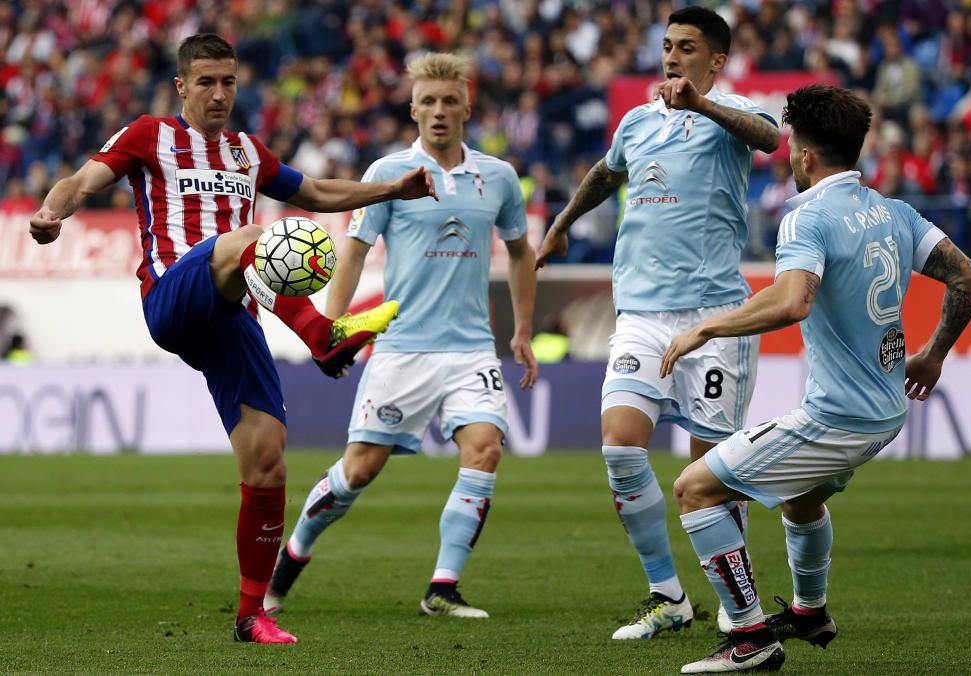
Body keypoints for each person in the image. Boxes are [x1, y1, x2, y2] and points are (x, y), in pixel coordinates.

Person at [27, 33, 437, 644]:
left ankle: (252, 615)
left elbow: (320, 194)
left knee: (268, 461)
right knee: (251, 239)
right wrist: (51, 212)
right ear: (182, 87)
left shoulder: (248, 152)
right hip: (173, 295)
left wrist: (392, 189)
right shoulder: (150, 135)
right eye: (206, 82)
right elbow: (81, 181)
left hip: (232, 315)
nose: (219, 94)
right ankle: (321, 335)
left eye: (229, 82)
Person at [662, 84, 971, 673]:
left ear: (806, 155)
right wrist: (935, 355)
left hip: (838, 418)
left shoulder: (806, 218)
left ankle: (750, 638)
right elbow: (969, 279)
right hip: (886, 409)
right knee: (800, 502)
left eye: (790, 147)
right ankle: (810, 612)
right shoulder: (894, 211)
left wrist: (707, 329)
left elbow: (792, 303)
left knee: (694, 490)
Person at [264, 53, 538, 619]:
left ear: (468, 106)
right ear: (413, 109)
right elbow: (354, 253)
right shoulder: (388, 174)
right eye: (429, 102)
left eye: (449, 101)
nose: (439, 112)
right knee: (359, 470)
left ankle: (442, 587)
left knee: (484, 450)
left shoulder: (500, 178)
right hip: (401, 348)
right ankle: (293, 554)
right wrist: (331, 332)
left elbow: (519, 252)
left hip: (470, 350)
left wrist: (524, 331)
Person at [535, 6, 780, 639]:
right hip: (641, 312)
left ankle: (736, 599)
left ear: (716, 61)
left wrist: (701, 104)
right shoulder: (638, 120)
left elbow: (771, 139)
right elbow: (604, 172)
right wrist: (561, 224)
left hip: (715, 318)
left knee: (711, 476)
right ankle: (667, 595)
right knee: (620, 446)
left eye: (687, 47)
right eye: (667, 45)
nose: (671, 56)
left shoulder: (733, 111)